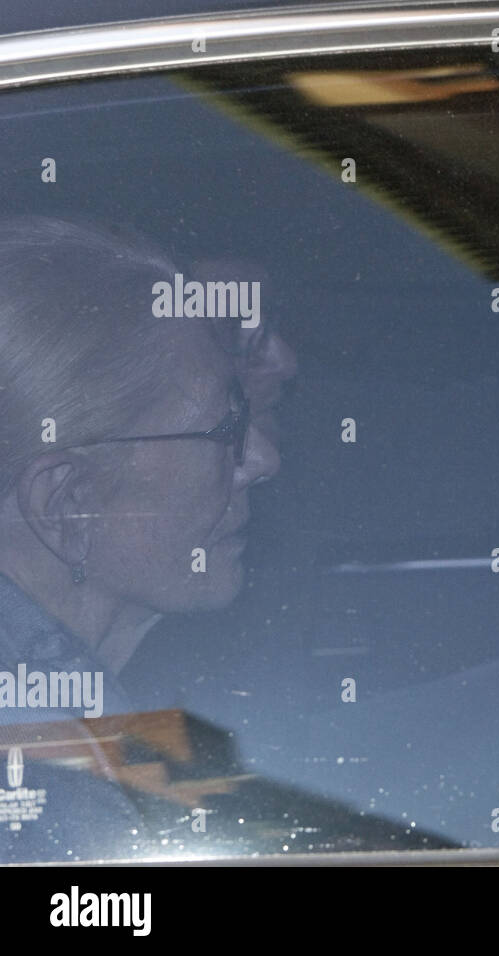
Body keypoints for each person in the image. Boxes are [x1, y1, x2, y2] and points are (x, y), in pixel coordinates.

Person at [0, 217, 287, 859]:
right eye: (224, 432)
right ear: (69, 505)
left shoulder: (78, 732)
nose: (263, 460)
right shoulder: (50, 794)